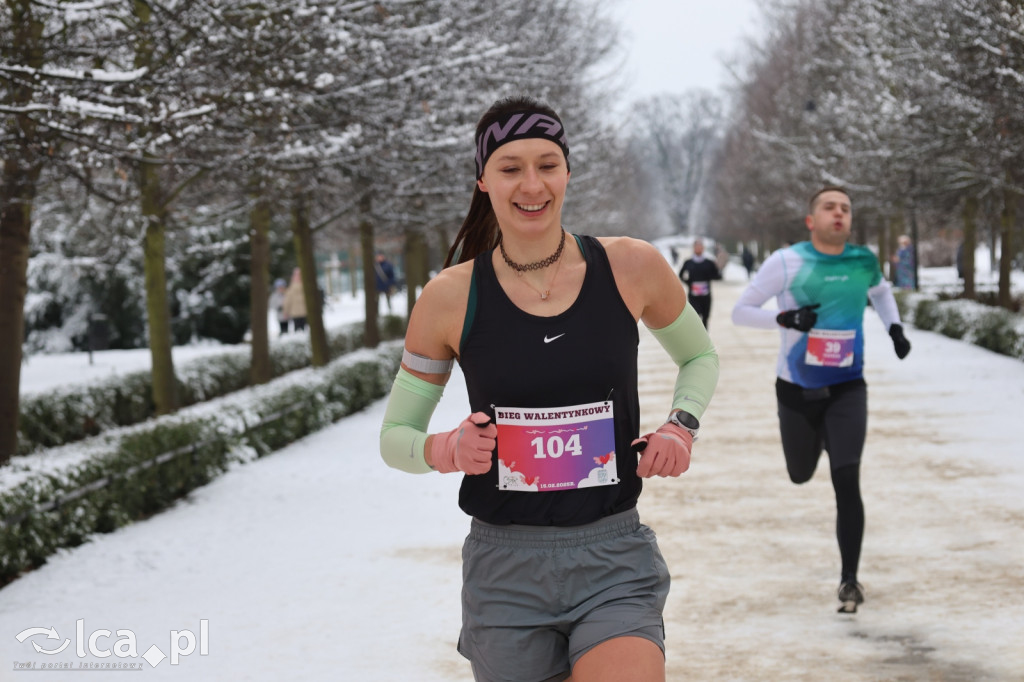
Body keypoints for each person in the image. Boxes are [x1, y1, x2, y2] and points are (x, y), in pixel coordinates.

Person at [379, 96, 719, 682]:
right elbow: (395, 437)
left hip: (613, 558)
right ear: (483, 179)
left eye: (547, 164)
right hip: (505, 570)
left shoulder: (629, 266)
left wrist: (680, 426)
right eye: (511, 168)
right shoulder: (449, 297)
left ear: (567, 172)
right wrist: (445, 450)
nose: (531, 184)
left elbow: (699, 355)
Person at [731, 186, 912, 614]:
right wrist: (786, 317)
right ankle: (815, 443)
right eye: (829, 207)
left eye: (846, 209)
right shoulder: (787, 261)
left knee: (847, 481)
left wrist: (895, 329)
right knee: (800, 473)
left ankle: (849, 580)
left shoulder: (863, 260)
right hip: (796, 390)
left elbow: (881, 293)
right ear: (811, 220)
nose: (839, 214)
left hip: (848, 387)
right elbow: (741, 311)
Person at [677, 238, 722, 329]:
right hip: (694, 296)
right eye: (696, 246)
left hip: (706, 296)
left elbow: (717, 276)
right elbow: (681, 275)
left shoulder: (709, 263)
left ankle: (705, 338)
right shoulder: (688, 262)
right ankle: (696, 338)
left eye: (700, 246)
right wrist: (689, 282)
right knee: (695, 317)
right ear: (693, 248)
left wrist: (718, 268)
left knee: (705, 317)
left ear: (703, 248)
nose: (698, 248)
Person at [281, 267, 307, 332]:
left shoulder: (291, 288)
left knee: (298, 330)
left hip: (296, 313)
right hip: (304, 312)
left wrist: (285, 312)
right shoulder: (306, 286)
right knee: (304, 329)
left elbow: (287, 301)